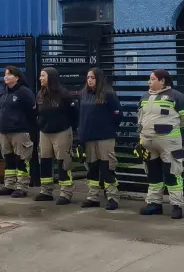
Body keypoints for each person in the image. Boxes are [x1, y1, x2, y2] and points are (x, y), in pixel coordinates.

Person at [138, 69, 184, 219]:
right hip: (149, 143)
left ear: (162, 81)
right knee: (153, 174)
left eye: (152, 79)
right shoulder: (145, 96)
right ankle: (154, 204)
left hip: (169, 143)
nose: (149, 82)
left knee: (172, 173)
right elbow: (141, 117)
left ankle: (177, 205)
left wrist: (172, 127)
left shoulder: (176, 96)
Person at [78, 67, 123, 211]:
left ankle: (112, 197)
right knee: (92, 168)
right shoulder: (84, 94)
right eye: (88, 78)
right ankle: (93, 197)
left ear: (99, 78)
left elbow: (117, 115)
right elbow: (82, 116)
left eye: (92, 77)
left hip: (105, 137)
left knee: (107, 167)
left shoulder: (108, 94)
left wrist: (108, 128)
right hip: (89, 137)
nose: (89, 80)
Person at [36, 67, 77, 205]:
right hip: (44, 132)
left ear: (51, 78)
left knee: (63, 162)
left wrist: (70, 127)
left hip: (61, 132)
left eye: (43, 76)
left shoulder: (64, 94)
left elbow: (73, 114)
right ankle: (46, 191)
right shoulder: (40, 94)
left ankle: (66, 193)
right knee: (45, 161)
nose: (40, 78)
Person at [0, 65, 36, 198]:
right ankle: (9, 185)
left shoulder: (24, 92)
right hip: (3, 131)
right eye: (5, 74)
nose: (6, 77)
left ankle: (22, 187)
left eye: (9, 74)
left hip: (20, 131)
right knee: (8, 159)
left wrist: (28, 127)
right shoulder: (3, 91)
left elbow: (32, 111)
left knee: (22, 159)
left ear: (17, 77)